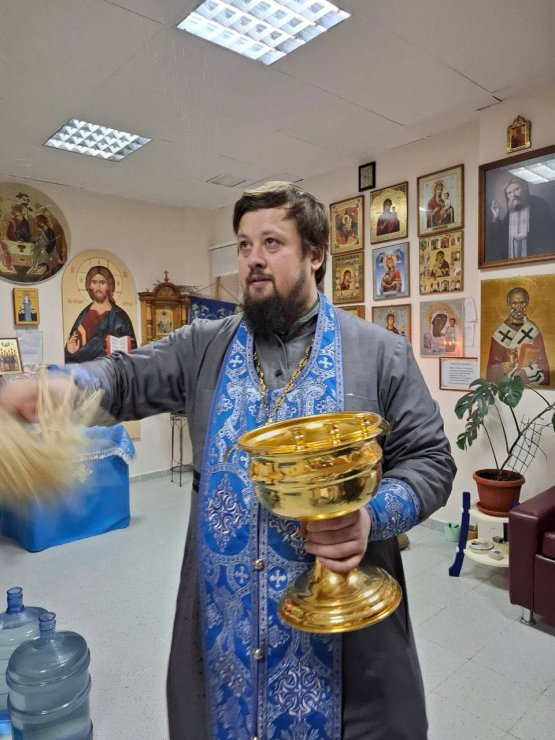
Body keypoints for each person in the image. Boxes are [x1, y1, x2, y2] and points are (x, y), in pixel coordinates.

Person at [0, 182, 456, 740]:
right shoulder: (202, 346)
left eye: (272, 242)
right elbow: (123, 378)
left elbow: (431, 460)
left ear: (315, 255)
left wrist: (371, 516)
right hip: (225, 637)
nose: (253, 259)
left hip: (347, 650)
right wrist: (54, 387)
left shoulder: (379, 353)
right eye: (244, 244)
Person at [64, 265, 137, 363]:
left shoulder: (120, 316)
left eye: (102, 283)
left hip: (110, 370)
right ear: (89, 286)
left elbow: (131, 351)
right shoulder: (83, 316)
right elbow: (72, 353)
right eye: (94, 282)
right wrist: (70, 351)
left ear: (109, 286)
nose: (98, 287)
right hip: (86, 370)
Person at [486, 286, 550, 385]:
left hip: (530, 386)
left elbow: (543, 366)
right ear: (509, 304)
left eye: (522, 303)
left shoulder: (533, 331)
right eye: (514, 303)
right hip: (507, 388)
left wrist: (528, 371)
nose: (518, 307)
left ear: (527, 304)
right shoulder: (499, 333)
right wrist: (506, 366)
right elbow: (491, 370)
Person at [487, 178, 555, 261]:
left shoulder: (538, 203)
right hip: (514, 259)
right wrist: (496, 215)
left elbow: (549, 228)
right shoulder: (510, 212)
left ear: (524, 189)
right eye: (509, 193)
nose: (513, 195)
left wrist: (528, 234)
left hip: (536, 257)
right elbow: (501, 236)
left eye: (516, 189)